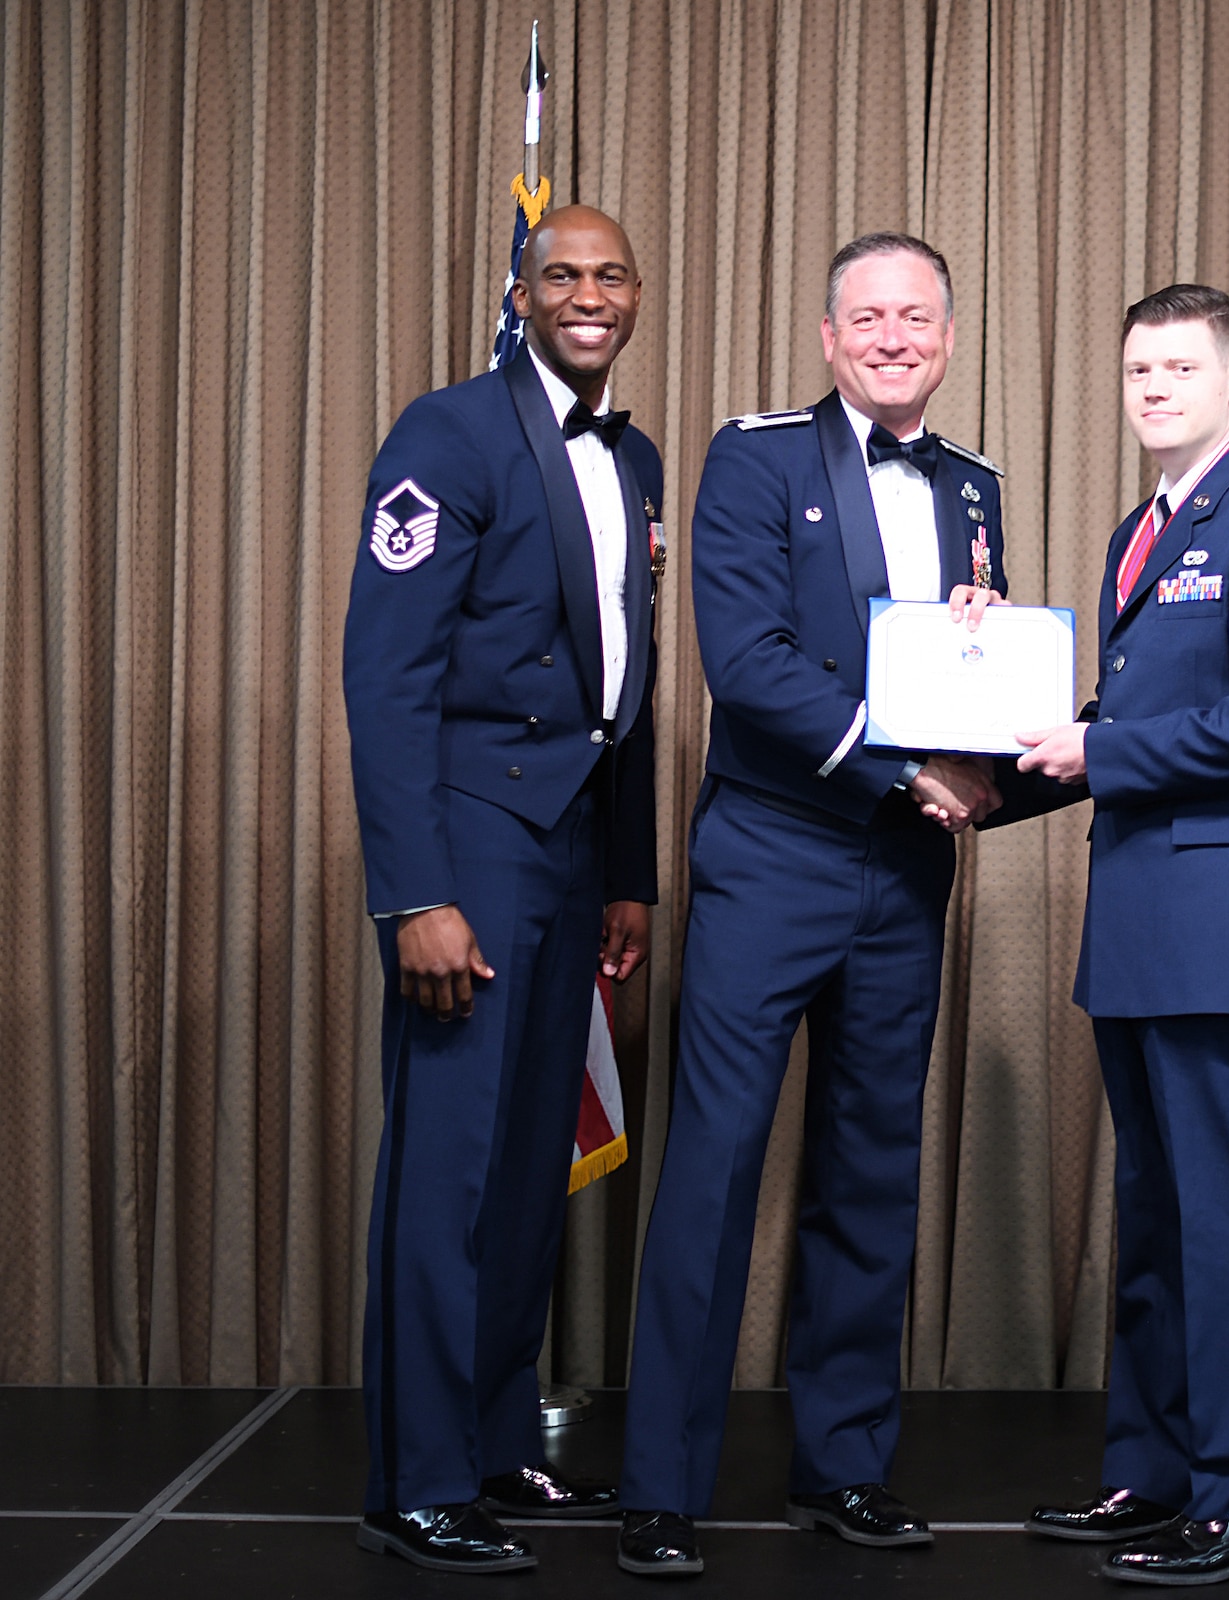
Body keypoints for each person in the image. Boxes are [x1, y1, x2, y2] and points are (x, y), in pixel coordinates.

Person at [616, 232, 1006, 1580]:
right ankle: (659, 1485)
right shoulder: (757, 454)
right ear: (830, 335)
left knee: (871, 1171)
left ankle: (844, 1465)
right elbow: (751, 663)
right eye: (871, 317)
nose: (896, 336)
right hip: (774, 855)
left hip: (904, 876)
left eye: (919, 317)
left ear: (948, 336)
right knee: (715, 1165)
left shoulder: (975, 486)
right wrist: (912, 767)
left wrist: (996, 716)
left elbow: (972, 668)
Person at [1013, 285, 1229, 1586]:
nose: (1151, 386)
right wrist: (995, 751)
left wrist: (1098, 746)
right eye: (1136, 367)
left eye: (1177, 366)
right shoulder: (1135, 532)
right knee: (1154, 1226)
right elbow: (1121, 721)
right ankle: (1152, 1476)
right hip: (1143, 933)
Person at [342, 206, 660, 1574]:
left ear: (635, 296)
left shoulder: (635, 452)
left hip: (575, 854)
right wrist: (415, 893)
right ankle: (415, 1481)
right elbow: (387, 677)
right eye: (561, 275)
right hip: (469, 849)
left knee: (532, 1169)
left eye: (609, 275)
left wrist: (631, 875)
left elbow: (627, 687)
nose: (586, 294)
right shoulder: (448, 432)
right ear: (519, 293)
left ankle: (492, 1449)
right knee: (450, 1172)